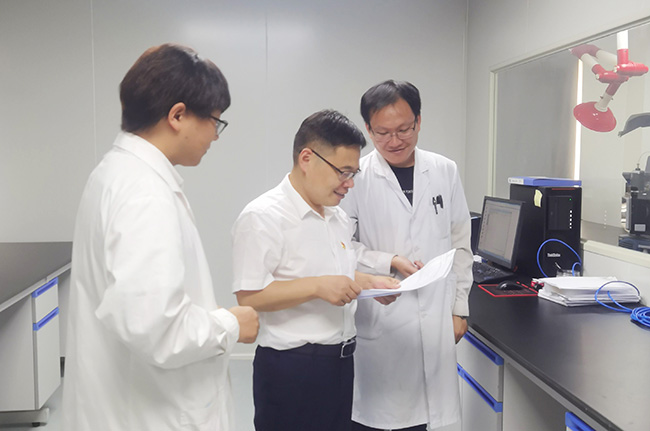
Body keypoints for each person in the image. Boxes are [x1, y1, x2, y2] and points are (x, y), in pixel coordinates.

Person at [62, 44, 259, 431]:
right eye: (215, 121)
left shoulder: (117, 174)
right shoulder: (144, 193)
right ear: (178, 115)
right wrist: (231, 325)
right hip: (150, 414)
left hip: (127, 403)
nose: (215, 136)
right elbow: (155, 327)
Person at [232, 109, 399, 431]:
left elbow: (334, 273)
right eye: (343, 172)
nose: (349, 184)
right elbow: (249, 296)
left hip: (341, 363)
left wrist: (369, 283)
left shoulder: (336, 217)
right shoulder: (263, 217)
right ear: (307, 158)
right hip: (291, 369)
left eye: (354, 173)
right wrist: (317, 287)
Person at [339, 80, 473, 431]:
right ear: (368, 129)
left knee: (430, 420)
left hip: (436, 317)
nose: (395, 141)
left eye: (404, 129)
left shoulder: (444, 170)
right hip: (384, 321)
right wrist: (388, 260)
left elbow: (460, 242)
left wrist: (459, 308)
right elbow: (340, 246)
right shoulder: (355, 178)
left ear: (419, 121)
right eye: (382, 133)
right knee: (381, 418)